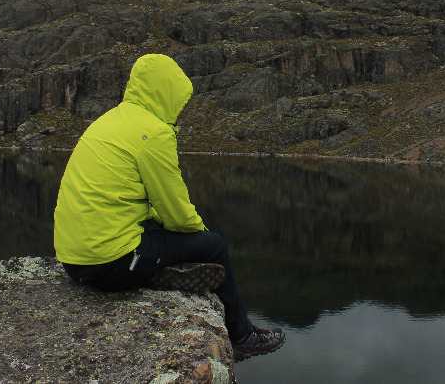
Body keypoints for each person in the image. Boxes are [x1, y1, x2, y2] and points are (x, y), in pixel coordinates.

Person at [53, 53, 284, 361]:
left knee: (157, 231)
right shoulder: (154, 132)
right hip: (111, 265)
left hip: (74, 261)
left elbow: (132, 201)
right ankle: (242, 336)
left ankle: (156, 268)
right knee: (214, 245)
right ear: (167, 92)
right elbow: (175, 210)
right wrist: (199, 237)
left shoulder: (109, 121)